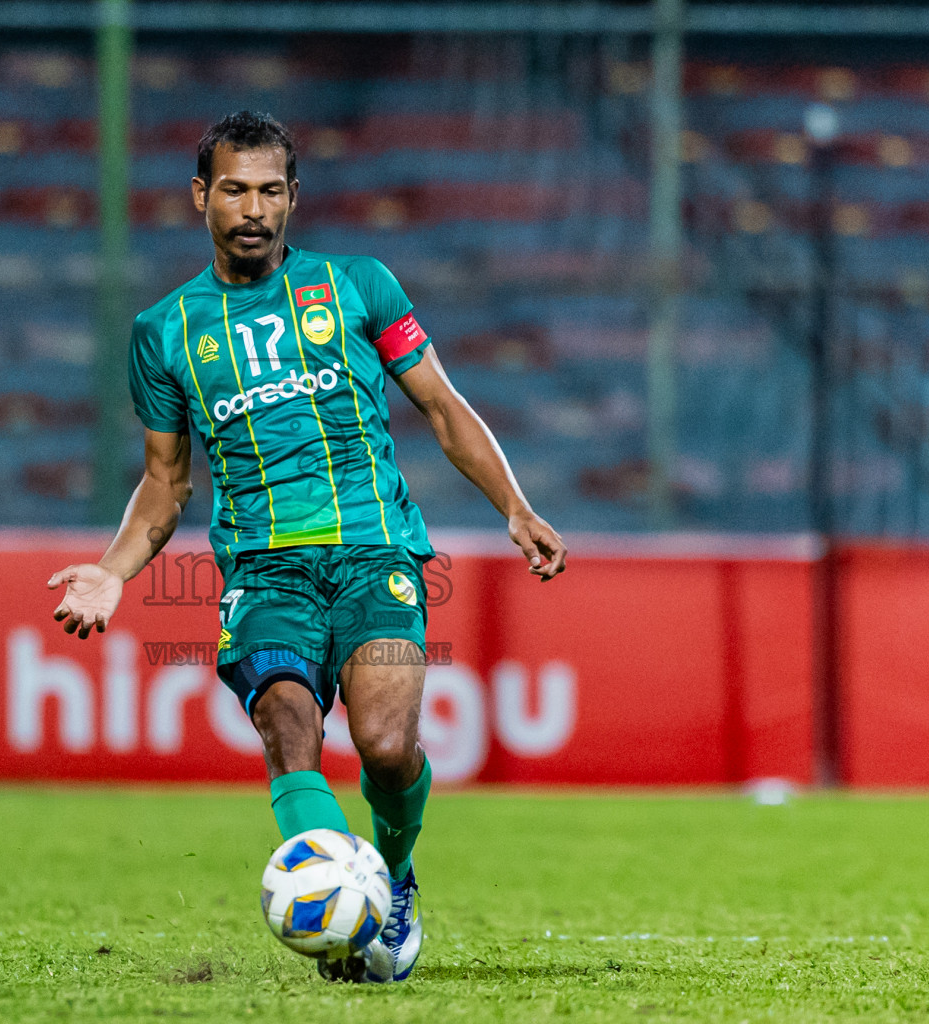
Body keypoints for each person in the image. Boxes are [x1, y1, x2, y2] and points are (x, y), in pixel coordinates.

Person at [48, 111, 566, 983]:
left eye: (271, 190)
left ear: (295, 197)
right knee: (288, 721)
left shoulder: (360, 286)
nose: (253, 209)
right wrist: (111, 572)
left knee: (388, 747)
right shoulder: (163, 332)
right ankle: (343, 911)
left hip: (378, 554)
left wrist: (513, 505)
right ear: (200, 196)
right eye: (235, 190)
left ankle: (390, 884)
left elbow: (441, 405)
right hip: (264, 568)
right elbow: (165, 483)